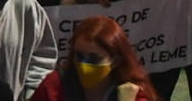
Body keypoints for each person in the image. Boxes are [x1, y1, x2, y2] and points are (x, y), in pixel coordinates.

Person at [29, 15, 159, 101]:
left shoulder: (132, 95)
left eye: (94, 58)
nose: (83, 64)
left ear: (116, 61)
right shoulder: (54, 86)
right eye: (79, 55)